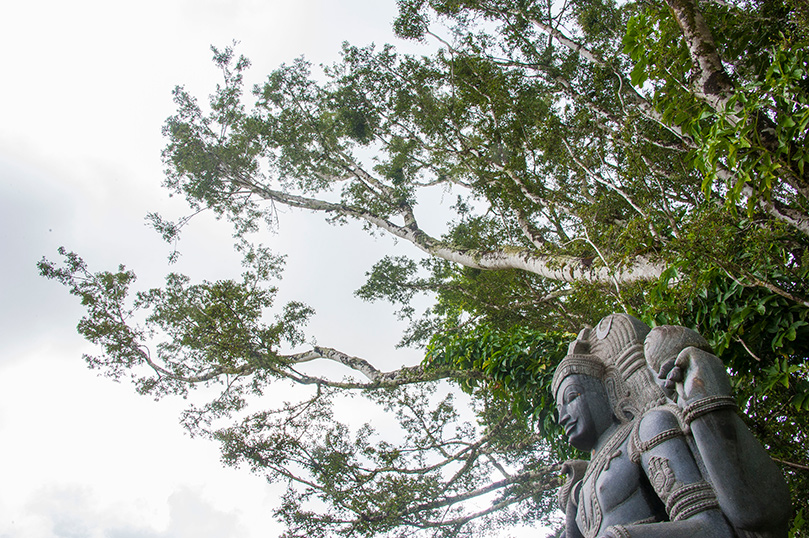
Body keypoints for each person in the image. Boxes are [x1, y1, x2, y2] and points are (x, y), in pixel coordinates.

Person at [554, 314, 739, 538]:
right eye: (558, 408)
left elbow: (712, 528)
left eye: (571, 397)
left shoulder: (647, 429)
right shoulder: (587, 482)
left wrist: (621, 536)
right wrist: (574, 493)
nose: (562, 416)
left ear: (609, 387)